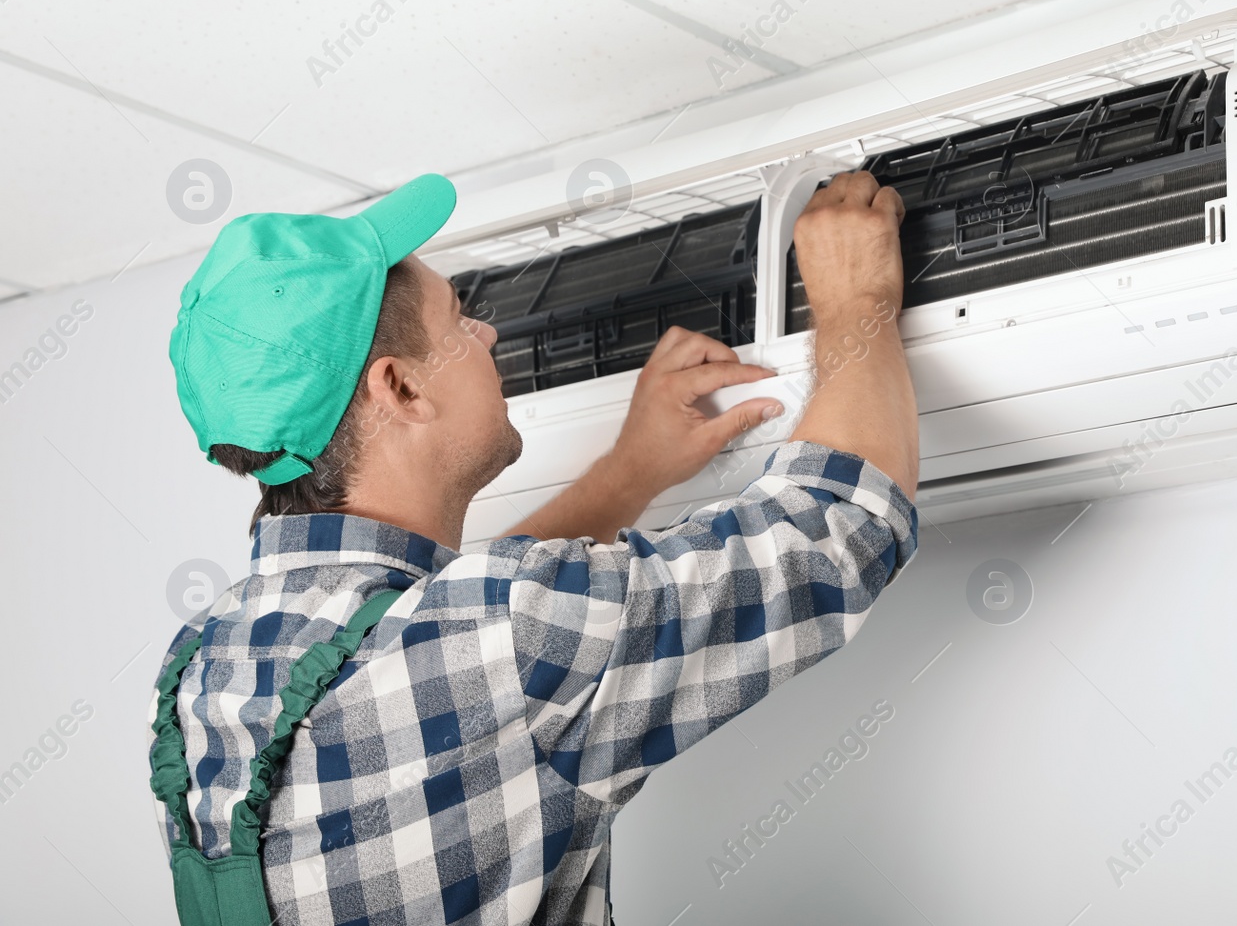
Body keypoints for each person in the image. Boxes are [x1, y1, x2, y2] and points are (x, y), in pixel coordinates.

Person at [148, 169, 919, 924]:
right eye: (458, 318)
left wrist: (629, 471)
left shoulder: (205, 665)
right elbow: (840, 524)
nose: (484, 332)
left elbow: (437, 650)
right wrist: (859, 302)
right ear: (403, 389)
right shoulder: (493, 636)